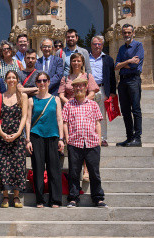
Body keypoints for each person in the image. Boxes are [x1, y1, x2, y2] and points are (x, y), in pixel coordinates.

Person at [63, 78, 108, 208]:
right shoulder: (69, 105)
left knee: (94, 172)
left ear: (86, 87)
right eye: (76, 86)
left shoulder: (93, 104)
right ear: (73, 89)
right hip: (74, 143)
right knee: (74, 172)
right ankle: (73, 198)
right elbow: (65, 123)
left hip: (92, 142)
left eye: (81, 86)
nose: (78, 88)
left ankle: (98, 198)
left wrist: (99, 140)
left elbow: (98, 123)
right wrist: (68, 139)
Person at [58, 52, 99, 182]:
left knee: (85, 140)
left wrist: (83, 101)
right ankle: (75, 169)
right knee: (74, 140)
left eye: (78, 61)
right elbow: (61, 94)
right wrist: (70, 102)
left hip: (85, 108)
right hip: (70, 108)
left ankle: (86, 170)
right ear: (70, 63)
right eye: (74, 60)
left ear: (82, 63)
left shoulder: (87, 76)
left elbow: (92, 91)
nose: (76, 63)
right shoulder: (66, 77)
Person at [26, 72, 65, 208]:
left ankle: (55, 200)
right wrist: (28, 140)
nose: (42, 83)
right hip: (36, 136)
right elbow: (28, 121)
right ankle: (40, 199)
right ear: (36, 83)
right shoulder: (32, 100)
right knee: (38, 169)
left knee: (54, 169)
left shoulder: (56, 100)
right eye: (39, 81)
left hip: (53, 136)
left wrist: (61, 138)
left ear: (49, 82)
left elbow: (60, 120)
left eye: (44, 80)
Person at [0, 70, 28, 208]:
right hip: (4, 135)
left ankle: (17, 196)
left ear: (17, 80)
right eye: (9, 78)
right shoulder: (0, 96)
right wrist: (1, 133)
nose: (11, 80)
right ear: (5, 80)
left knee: (18, 165)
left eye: (14, 78)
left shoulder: (23, 96)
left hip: (18, 136)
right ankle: (6, 196)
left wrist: (19, 132)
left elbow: (24, 116)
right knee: (4, 165)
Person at [115, 24, 144, 147]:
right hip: (122, 82)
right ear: (122, 34)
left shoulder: (138, 45)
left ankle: (137, 138)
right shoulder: (121, 48)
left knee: (135, 110)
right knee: (125, 111)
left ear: (133, 33)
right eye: (124, 33)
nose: (126, 35)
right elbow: (116, 66)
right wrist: (128, 61)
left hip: (133, 80)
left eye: (128, 32)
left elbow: (134, 65)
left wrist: (123, 64)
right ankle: (129, 137)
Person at [89, 35, 117, 147]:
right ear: (91, 45)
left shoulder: (108, 59)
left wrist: (113, 91)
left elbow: (112, 76)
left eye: (99, 44)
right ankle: (90, 136)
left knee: (102, 115)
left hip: (102, 89)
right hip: (89, 89)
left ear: (102, 45)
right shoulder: (86, 58)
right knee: (88, 114)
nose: (97, 46)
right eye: (94, 44)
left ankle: (103, 138)